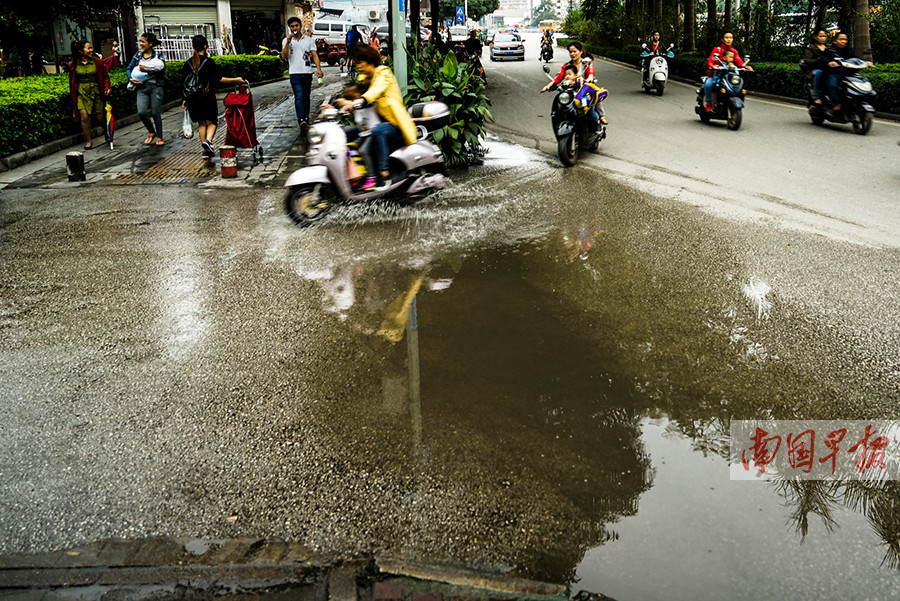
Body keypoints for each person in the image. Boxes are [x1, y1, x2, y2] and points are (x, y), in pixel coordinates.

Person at [335, 45, 416, 190]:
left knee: (378, 131)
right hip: (373, 123)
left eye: (360, 62)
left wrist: (360, 101)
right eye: (356, 63)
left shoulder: (383, 73)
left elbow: (375, 91)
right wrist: (341, 106)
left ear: (370, 60)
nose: (358, 66)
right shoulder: (365, 79)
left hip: (394, 123)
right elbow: (355, 95)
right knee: (342, 133)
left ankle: (383, 174)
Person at [181, 35, 247, 159]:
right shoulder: (209, 62)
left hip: (192, 98)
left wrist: (184, 99)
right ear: (205, 46)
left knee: (201, 123)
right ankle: (208, 141)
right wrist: (236, 79)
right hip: (207, 97)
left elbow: (184, 82)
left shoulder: (188, 63)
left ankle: (205, 151)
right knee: (212, 122)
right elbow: (219, 79)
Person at [68, 40, 111, 150]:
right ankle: (88, 141)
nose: (91, 50)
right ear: (80, 51)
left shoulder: (98, 62)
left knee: (100, 117)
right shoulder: (72, 64)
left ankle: (108, 133)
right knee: (85, 117)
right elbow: (71, 81)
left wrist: (107, 88)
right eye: (88, 48)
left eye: (91, 48)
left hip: (96, 92)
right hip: (82, 93)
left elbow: (105, 76)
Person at [281, 16, 323, 130]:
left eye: (296, 25)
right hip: (294, 73)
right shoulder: (286, 40)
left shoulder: (309, 40)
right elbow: (284, 56)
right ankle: (301, 120)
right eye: (292, 26)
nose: (294, 28)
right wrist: (288, 43)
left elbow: (314, 55)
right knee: (299, 96)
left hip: (307, 72)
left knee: (306, 97)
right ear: (289, 28)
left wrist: (318, 69)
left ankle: (306, 118)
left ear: (300, 26)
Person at [125, 32, 166, 146]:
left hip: (155, 87)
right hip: (141, 88)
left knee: (155, 112)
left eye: (143, 41)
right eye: (140, 41)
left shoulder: (158, 56)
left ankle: (160, 136)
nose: (140, 44)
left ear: (150, 43)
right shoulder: (137, 56)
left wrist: (148, 70)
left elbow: (162, 70)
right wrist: (131, 78)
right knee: (142, 111)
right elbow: (129, 68)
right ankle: (151, 131)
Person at [823, 31, 873, 111]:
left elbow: (855, 58)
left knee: (863, 82)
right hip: (834, 73)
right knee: (832, 84)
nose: (843, 41)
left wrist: (865, 62)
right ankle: (836, 104)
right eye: (841, 39)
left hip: (848, 73)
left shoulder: (849, 49)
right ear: (835, 41)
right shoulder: (829, 50)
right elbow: (824, 60)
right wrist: (830, 63)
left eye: (845, 39)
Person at [704, 31, 752, 112]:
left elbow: (739, 61)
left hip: (728, 75)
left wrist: (746, 66)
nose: (729, 40)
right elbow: (710, 60)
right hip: (716, 74)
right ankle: (708, 103)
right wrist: (712, 66)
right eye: (726, 38)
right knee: (708, 85)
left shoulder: (733, 51)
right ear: (722, 39)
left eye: (730, 38)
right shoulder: (717, 50)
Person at [563, 63, 608, 129]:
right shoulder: (565, 83)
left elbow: (585, 81)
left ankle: (598, 119)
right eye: (565, 75)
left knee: (591, 110)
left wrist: (587, 81)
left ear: (575, 75)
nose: (567, 76)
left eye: (569, 74)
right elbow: (560, 86)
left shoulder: (579, 81)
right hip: (573, 102)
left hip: (583, 100)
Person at [802, 29, 829, 105]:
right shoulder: (811, 48)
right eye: (821, 36)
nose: (823, 38)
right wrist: (820, 59)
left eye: (824, 36)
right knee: (818, 73)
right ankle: (816, 97)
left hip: (828, 69)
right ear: (816, 37)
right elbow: (809, 61)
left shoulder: (829, 47)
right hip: (815, 69)